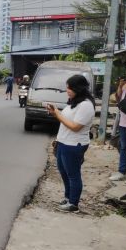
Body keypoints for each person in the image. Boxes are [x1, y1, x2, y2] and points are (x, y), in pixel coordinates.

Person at [47, 74, 96, 213]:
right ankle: (68, 197)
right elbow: (66, 121)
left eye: (69, 88)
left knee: (73, 174)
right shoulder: (74, 102)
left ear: (78, 88)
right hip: (63, 142)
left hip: (74, 144)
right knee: (64, 172)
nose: (66, 90)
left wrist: (57, 114)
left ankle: (73, 203)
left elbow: (75, 127)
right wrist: (54, 112)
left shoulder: (86, 105)